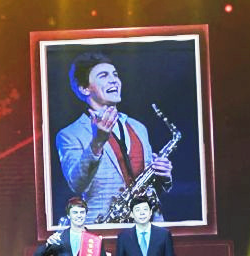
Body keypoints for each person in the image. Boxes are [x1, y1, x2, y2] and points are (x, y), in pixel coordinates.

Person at [55, 52, 173, 223]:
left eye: (115, 74)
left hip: (148, 223)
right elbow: (77, 184)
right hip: (104, 226)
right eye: (103, 75)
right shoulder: (69, 134)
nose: (114, 80)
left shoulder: (138, 127)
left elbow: (150, 186)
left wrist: (164, 177)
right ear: (84, 88)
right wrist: (97, 143)